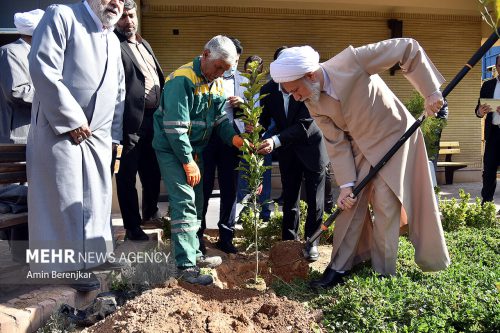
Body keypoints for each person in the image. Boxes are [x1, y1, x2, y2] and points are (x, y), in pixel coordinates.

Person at [269, 39, 450, 289]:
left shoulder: (353, 61)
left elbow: (407, 48)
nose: (296, 98)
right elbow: (336, 142)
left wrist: (430, 91)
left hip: (393, 135)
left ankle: (383, 272)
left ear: (310, 74)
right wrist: (346, 184)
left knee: (386, 203)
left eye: (294, 90)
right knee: (349, 205)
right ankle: (339, 267)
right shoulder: (312, 100)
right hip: (359, 146)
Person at [27, 0, 125, 291]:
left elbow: (117, 90)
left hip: (98, 135)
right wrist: (71, 119)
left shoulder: (113, 38)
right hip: (59, 129)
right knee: (61, 200)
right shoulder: (63, 16)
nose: (116, 3)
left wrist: (113, 134)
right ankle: (64, 267)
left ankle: (95, 257)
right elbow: (42, 67)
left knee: (95, 200)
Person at [153, 35, 244, 285]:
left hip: (195, 150)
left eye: (226, 70)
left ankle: (194, 252)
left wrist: (236, 140)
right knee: (184, 202)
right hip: (174, 150)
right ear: (205, 55)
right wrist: (187, 161)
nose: (221, 74)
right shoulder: (182, 80)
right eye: (219, 67)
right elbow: (175, 128)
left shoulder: (215, 83)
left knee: (198, 200)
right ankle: (185, 266)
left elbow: (219, 120)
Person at [257, 47, 329, 262]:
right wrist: (255, 132)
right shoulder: (267, 90)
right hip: (287, 150)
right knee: (289, 198)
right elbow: (263, 118)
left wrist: (275, 140)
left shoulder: (308, 86)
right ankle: (288, 242)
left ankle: (312, 242)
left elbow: (305, 124)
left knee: (315, 198)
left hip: (312, 148)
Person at [114, 0, 163, 241]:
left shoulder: (145, 44)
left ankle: (150, 213)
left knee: (153, 171)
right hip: (129, 121)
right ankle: (132, 227)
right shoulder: (113, 44)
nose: (128, 21)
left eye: (131, 15)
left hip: (154, 119)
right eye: (123, 17)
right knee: (126, 175)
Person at [199, 37, 245, 254]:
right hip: (207, 138)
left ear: (237, 59)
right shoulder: (205, 75)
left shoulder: (245, 82)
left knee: (230, 189)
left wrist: (242, 105)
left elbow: (254, 116)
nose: (230, 64)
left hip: (231, 140)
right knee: (203, 186)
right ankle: (197, 235)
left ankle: (226, 236)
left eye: (234, 59)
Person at [236, 55, 274, 222]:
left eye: (256, 72)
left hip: (263, 139)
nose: (252, 75)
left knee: (263, 176)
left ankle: (264, 212)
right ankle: (244, 212)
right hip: (244, 139)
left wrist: (261, 131)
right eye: (249, 71)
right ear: (245, 71)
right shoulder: (240, 89)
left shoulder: (266, 91)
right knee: (244, 176)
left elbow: (273, 118)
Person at [0, 9, 44, 144]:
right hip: (18, 136)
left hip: (38, 135)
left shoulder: (40, 53)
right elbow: (17, 91)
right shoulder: (10, 51)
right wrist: (52, 92)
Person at [475, 55, 500, 205]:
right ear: (496, 67)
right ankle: (487, 204)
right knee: (489, 169)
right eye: (499, 65)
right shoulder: (487, 85)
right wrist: (480, 111)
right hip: (493, 134)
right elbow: (477, 110)